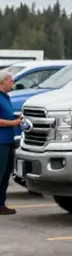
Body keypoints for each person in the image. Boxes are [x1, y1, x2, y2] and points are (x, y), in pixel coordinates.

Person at [0, 69, 22, 215]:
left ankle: (1, 203)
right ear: (3, 81)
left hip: (8, 141)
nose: (12, 83)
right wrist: (13, 122)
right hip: (1, 142)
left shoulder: (6, 97)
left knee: (6, 173)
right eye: (10, 80)